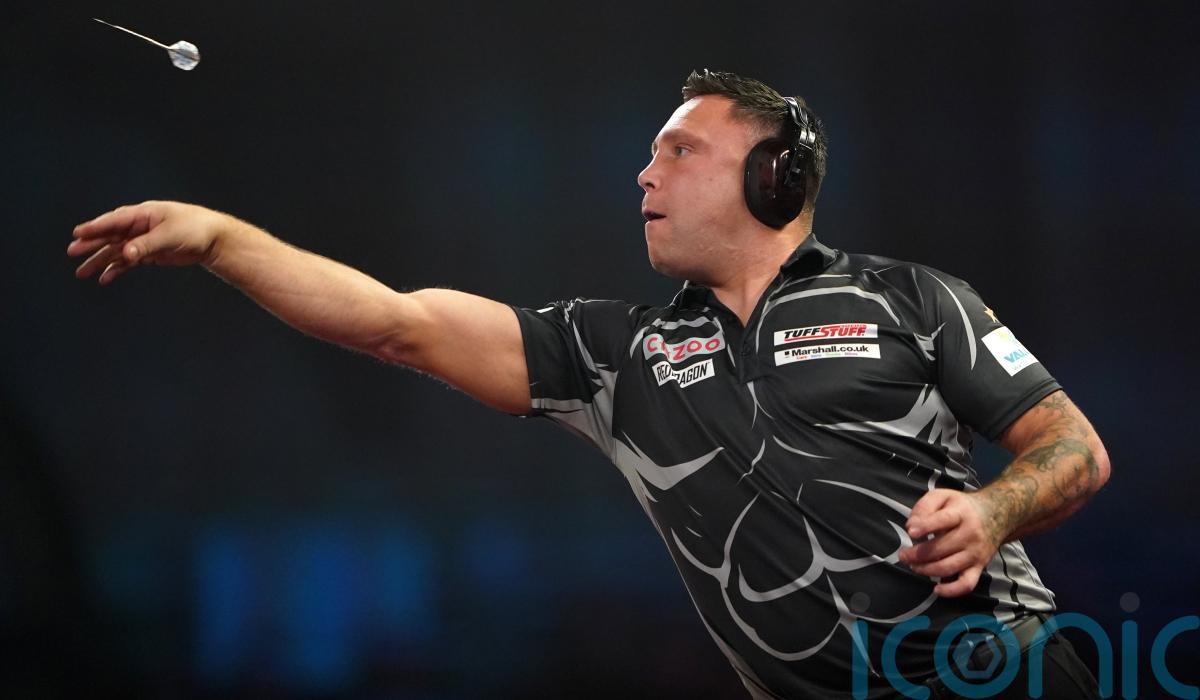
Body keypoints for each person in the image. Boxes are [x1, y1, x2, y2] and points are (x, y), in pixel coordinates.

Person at [68, 69, 1109, 699]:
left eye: (678, 151)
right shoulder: (614, 355)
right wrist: (222, 240)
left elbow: (1075, 449)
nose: (645, 175)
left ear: (773, 177)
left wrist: (990, 510)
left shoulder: (910, 298)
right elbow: (398, 323)